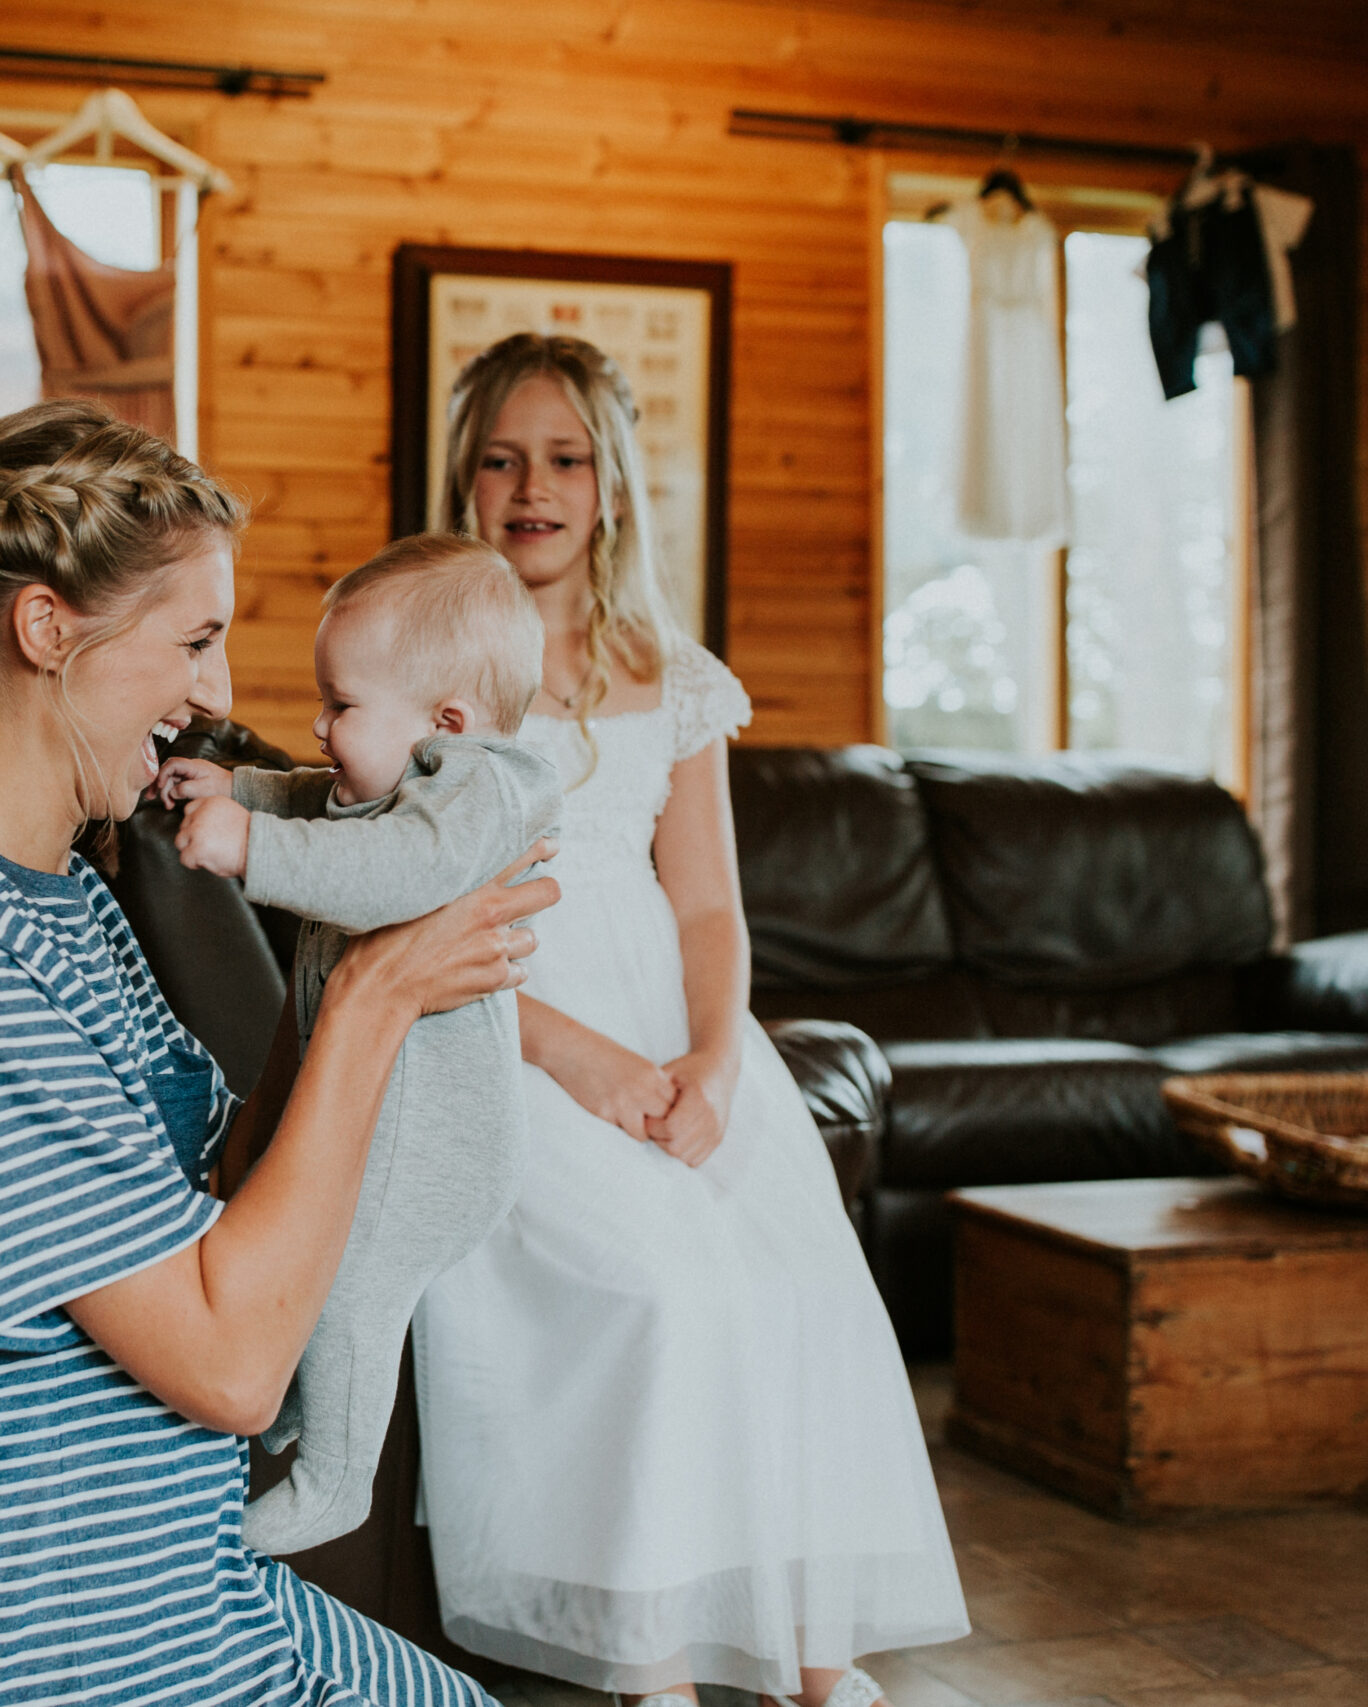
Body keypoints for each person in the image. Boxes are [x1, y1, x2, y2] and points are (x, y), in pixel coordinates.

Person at [0, 400, 557, 1706]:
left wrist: (353, 932)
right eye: (194, 640)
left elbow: (232, 1196)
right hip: (53, 1657)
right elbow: (235, 1365)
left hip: (179, 1594)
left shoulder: (61, 897)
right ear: (46, 628)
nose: (220, 698)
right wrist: (370, 1000)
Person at [409, 335, 969, 1707]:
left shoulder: (675, 672)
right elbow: (409, 907)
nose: (530, 485)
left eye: (563, 457)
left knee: (800, 1286)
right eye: (500, 457)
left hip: (676, 1034)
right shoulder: (428, 665)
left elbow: (709, 907)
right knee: (666, 1292)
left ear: (610, 487)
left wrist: (714, 1058)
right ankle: (650, 1656)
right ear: (464, 478)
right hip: (510, 1030)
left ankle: (807, 1653)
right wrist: (578, 1056)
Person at [156, 534, 562, 1557]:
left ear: (446, 725)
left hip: (430, 1144)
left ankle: (336, 1482)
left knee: (352, 1284)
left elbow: (393, 871)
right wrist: (240, 790)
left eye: (339, 708)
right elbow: (316, 795)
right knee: (312, 1261)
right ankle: (300, 1404)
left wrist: (250, 850)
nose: (317, 725)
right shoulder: (407, 773)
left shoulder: (478, 793)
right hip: (388, 1120)